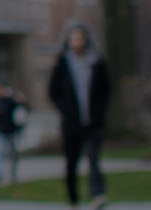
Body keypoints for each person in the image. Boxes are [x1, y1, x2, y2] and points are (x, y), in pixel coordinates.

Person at [49, 23, 111, 208]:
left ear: (86, 40)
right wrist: (66, 110)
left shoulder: (96, 63)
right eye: (74, 38)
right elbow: (53, 92)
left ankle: (98, 195)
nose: (77, 42)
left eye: (80, 38)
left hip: (93, 121)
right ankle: (73, 198)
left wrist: (100, 111)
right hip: (71, 123)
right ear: (69, 41)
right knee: (71, 162)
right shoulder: (62, 64)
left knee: (94, 159)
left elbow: (106, 90)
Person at [0, 83, 28, 184]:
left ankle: (13, 173)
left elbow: (22, 109)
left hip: (11, 131)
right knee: (0, 153)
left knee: (13, 153)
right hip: (0, 131)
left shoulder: (11, 101)